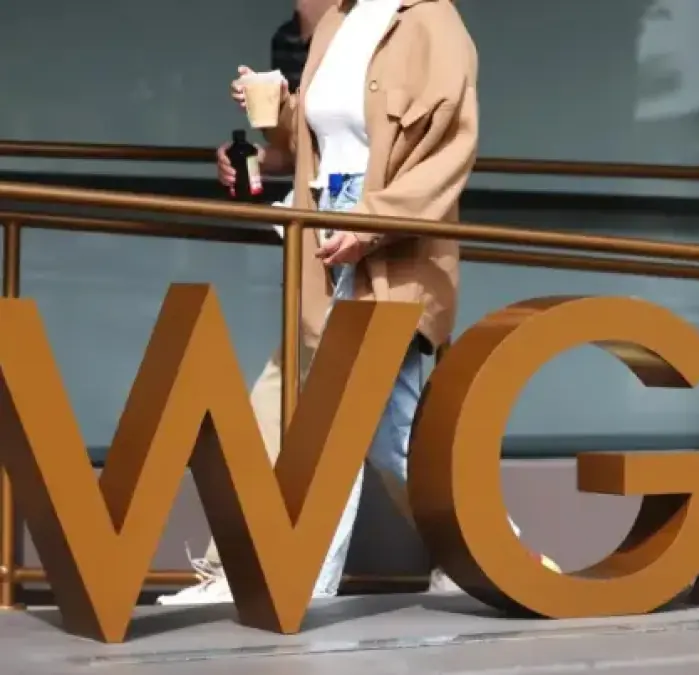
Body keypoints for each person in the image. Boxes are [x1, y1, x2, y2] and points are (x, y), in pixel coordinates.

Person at [158, 0, 558, 607]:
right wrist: (278, 116)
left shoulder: (432, 24)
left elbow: (447, 152)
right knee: (373, 427)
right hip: (325, 254)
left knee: (354, 424)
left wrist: (373, 225)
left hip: (390, 258)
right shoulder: (336, 25)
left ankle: (281, 580)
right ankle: (493, 557)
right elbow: (320, 142)